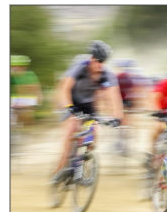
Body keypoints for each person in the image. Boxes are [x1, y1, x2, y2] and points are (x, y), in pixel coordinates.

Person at [52, 40, 124, 182]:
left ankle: (83, 164)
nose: (100, 65)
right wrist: (69, 107)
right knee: (72, 126)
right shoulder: (80, 67)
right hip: (71, 100)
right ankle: (62, 166)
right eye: (97, 61)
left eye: (103, 62)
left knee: (94, 131)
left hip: (88, 104)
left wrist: (117, 117)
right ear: (91, 58)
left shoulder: (106, 74)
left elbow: (114, 96)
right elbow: (65, 88)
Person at [10, 55, 42, 125]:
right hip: (15, 101)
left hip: (26, 101)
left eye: (18, 67)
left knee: (23, 120)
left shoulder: (30, 75)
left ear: (24, 67)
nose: (15, 68)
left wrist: (37, 102)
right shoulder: (11, 76)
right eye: (12, 66)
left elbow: (36, 90)